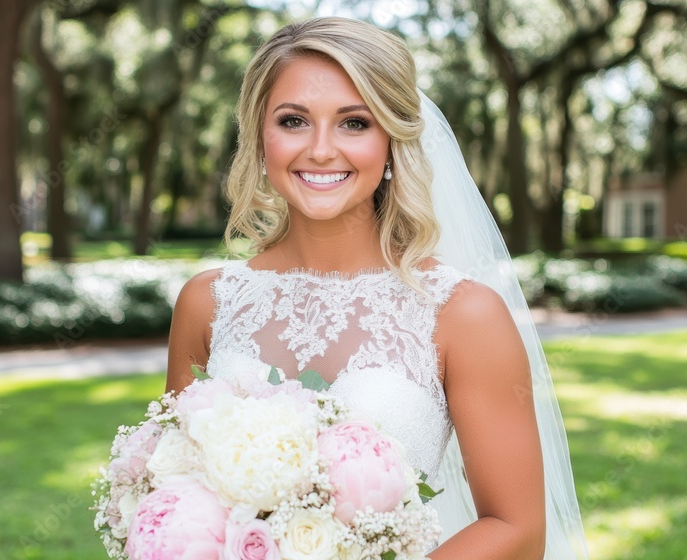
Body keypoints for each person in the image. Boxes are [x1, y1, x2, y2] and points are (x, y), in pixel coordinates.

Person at [165, 16, 588, 559]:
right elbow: (177, 493)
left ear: (392, 139)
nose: (320, 150)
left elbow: (518, 529)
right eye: (293, 120)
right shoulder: (207, 304)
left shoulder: (462, 314)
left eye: (354, 123)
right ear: (258, 135)